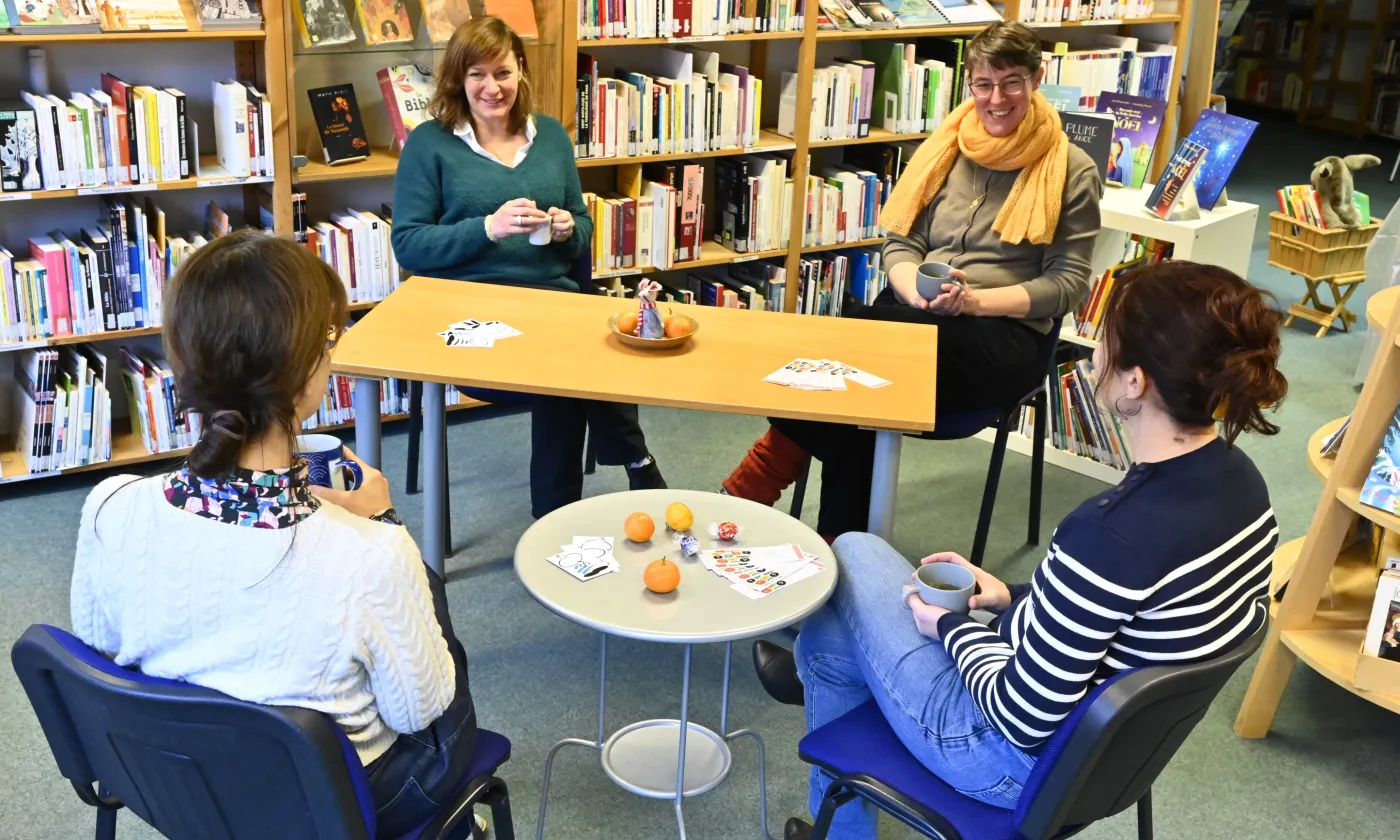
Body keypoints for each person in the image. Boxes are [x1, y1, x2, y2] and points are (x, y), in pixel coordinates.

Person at [753, 260, 1288, 840]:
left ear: (1135, 382)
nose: (1093, 355)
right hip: (1114, 761)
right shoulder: (1244, 485)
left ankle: (830, 711)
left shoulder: (1109, 536)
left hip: (1006, 761)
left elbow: (1018, 716)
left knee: (856, 551)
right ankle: (825, 676)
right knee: (835, 636)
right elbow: (1119, 614)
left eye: (1106, 340)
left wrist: (952, 627)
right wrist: (1009, 596)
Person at [70, 232, 481, 837]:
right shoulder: (370, 555)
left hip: (172, 785)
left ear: (181, 361)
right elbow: (421, 710)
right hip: (332, 810)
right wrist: (389, 530)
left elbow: (102, 653)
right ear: (310, 374)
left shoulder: (110, 507)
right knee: (432, 615)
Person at [722, 20, 1102, 540]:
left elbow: (1068, 285)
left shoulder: (1072, 169)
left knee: (851, 354)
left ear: (1036, 79)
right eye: (983, 84)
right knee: (858, 395)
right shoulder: (945, 147)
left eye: (1011, 81)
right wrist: (913, 291)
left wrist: (973, 303)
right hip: (915, 314)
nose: (996, 99)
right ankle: (842, 550)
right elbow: (900, 243)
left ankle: (756, 487)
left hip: (1005, 336)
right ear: (969, 84)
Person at [390, 16, 666, 517]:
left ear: (521, 72)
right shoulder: (430, 144)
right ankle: (624, 469)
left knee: (592, 349)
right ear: (458, 79)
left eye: (502, 73)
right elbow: (409, 246)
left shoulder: (553, 137)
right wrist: (487, 228)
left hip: (552, 303)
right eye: (477, 75)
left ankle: (564, 512)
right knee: (562, 371)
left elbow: (583, 229)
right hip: (468, 313)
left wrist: (567, 228)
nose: (492, 88)